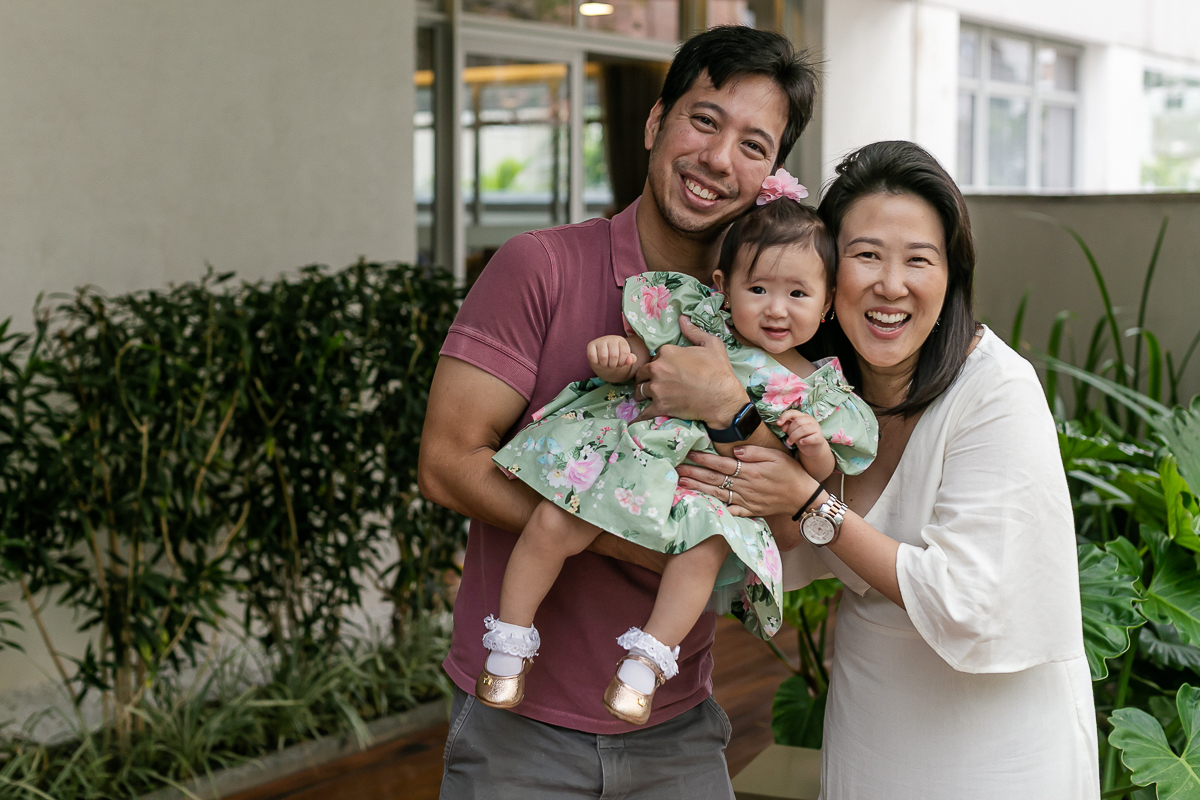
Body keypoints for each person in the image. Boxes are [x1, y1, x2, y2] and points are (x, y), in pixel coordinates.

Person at [417, 26, 819, 799]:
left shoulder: (769, 321)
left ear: (770, 173)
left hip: (678, 726)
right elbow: (447, 461)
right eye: (704, 121)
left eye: (753, 144)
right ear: (654, 121)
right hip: (518, 731)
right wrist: (640, 542)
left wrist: (732, 411)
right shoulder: (540, 266)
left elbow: (791, 523)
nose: (717, 160)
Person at [664, 140, 1100, 799]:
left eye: (917, 260)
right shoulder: (818, 393)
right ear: (827, 270)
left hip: (995, 745)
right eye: (866, 255)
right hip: (872, 721)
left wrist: (812, 504)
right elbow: (772, 547)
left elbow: (968, 600)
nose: (889, 285)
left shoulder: (998, 392)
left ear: (951, 276)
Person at [478, 188, 878, 726]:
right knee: (554, 517)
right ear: (723, 287)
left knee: (706, 549)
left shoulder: (818, 392)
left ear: (827, 300)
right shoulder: (699, 323)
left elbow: (817, 482)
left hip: (704, 493)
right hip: (636, 458)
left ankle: (643, 668)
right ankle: (508, 644)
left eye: (798, 294)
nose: (776, 308)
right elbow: (644, 364)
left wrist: (812, 447)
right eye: (757, 287)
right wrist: (618, 359)